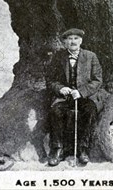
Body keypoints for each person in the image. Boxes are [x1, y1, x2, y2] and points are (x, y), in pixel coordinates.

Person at [44, 28, 103, 166]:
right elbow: (50, 80)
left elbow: (97, 80)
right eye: (69, 39)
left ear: (81, 41)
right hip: (64, 98)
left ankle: (83, 149)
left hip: (85, 97)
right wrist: (60, 88)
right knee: (56, 112)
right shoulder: (58, 58)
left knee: (90, 111)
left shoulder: (91, 56)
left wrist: (82, 92)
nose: (73, 41)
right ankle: (57, 149)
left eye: (76, 39)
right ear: (65, 42)